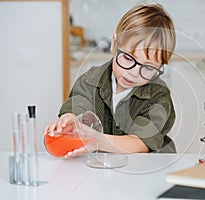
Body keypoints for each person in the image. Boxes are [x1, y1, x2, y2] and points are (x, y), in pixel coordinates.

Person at [44, 3, 177, 158]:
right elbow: (77, 107)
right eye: (128, 58)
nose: (133, 73)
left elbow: (139, 143)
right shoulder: (90, 80)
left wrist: (98, 141)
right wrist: (69, 121)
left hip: (148, 168)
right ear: (114, 43)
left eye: (148, 68)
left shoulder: (158, 96)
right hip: (105, 170)